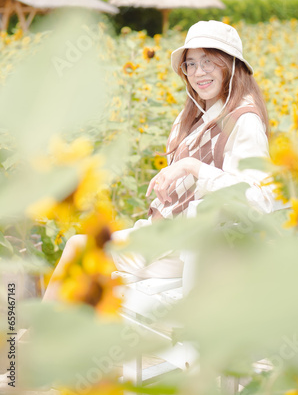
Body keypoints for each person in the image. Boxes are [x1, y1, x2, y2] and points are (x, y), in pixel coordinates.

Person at [43, 20, 274, 300]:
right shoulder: (197, 113)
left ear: (231, 65)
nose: (198, 72)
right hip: (167, 235)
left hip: (193, 248)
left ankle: (37, 338)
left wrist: (193, 167)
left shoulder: (244, 121)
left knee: (80, 248)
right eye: (190, 64)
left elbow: (258, 199)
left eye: (209, 61)